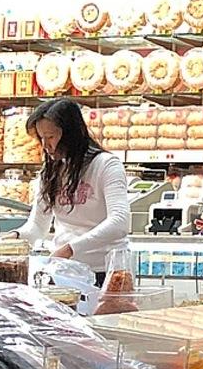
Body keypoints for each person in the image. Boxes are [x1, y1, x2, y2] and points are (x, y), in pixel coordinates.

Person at [15, 98, 130, 284]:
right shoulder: (50, 172)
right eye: (41, 138)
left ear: (70, 134)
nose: (45, 145)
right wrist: (15, 237)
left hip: (107, 271)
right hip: (65, 270)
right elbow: (37, 226)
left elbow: (119, 223)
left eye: (50, 137)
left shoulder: (106, 165)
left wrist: (70, 249)